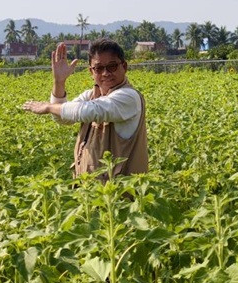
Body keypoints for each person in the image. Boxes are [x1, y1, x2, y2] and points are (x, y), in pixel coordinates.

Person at [22, 38, 148, 178]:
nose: (105, 73)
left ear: (124, 67)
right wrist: (59, 82)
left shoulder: (129, 97)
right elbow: (63, 119)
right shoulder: (91, 96)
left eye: (111, 66)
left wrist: (48, 107)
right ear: (91, 71)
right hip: (88, 191)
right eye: (99, 68)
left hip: (119, 195)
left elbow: (89, 111)